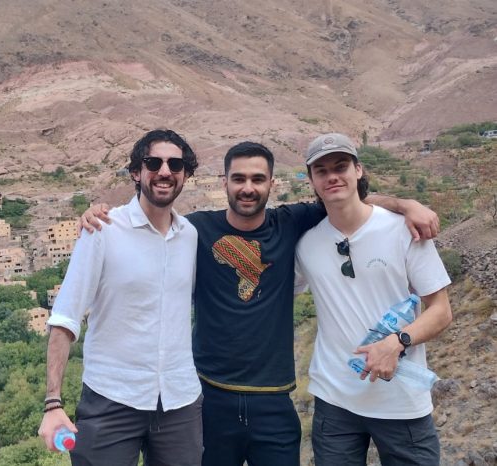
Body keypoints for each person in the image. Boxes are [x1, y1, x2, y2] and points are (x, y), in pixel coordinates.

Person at [80, 140, 440, 466]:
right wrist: (102, 215)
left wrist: (404, 205)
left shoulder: (292, 223)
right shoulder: (195, 230)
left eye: (257, 179)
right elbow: (150, 226)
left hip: (274, 401)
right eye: (238, 179)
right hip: (210, 398)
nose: (248, 188)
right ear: (225, 183)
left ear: (272, 184)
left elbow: (344, 199)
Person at [38, 129, 203, 466]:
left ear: (185, 175)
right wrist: (53, 403)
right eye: (153, 163)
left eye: (175, 165)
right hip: (111, 398)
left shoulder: (190, 235)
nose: (165, 171)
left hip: (179, 401)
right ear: (136, 172)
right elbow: (65, 318)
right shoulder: (103, 230)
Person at [294, 133, 452, 465]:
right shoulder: (306, 245)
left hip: (401, 401)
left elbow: (441, 310)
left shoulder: (404, 231)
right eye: (321, 170)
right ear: (311, 180)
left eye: (341, 166)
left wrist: (397, 342)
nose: (332, 176)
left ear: (358, 170)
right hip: (334, 400)